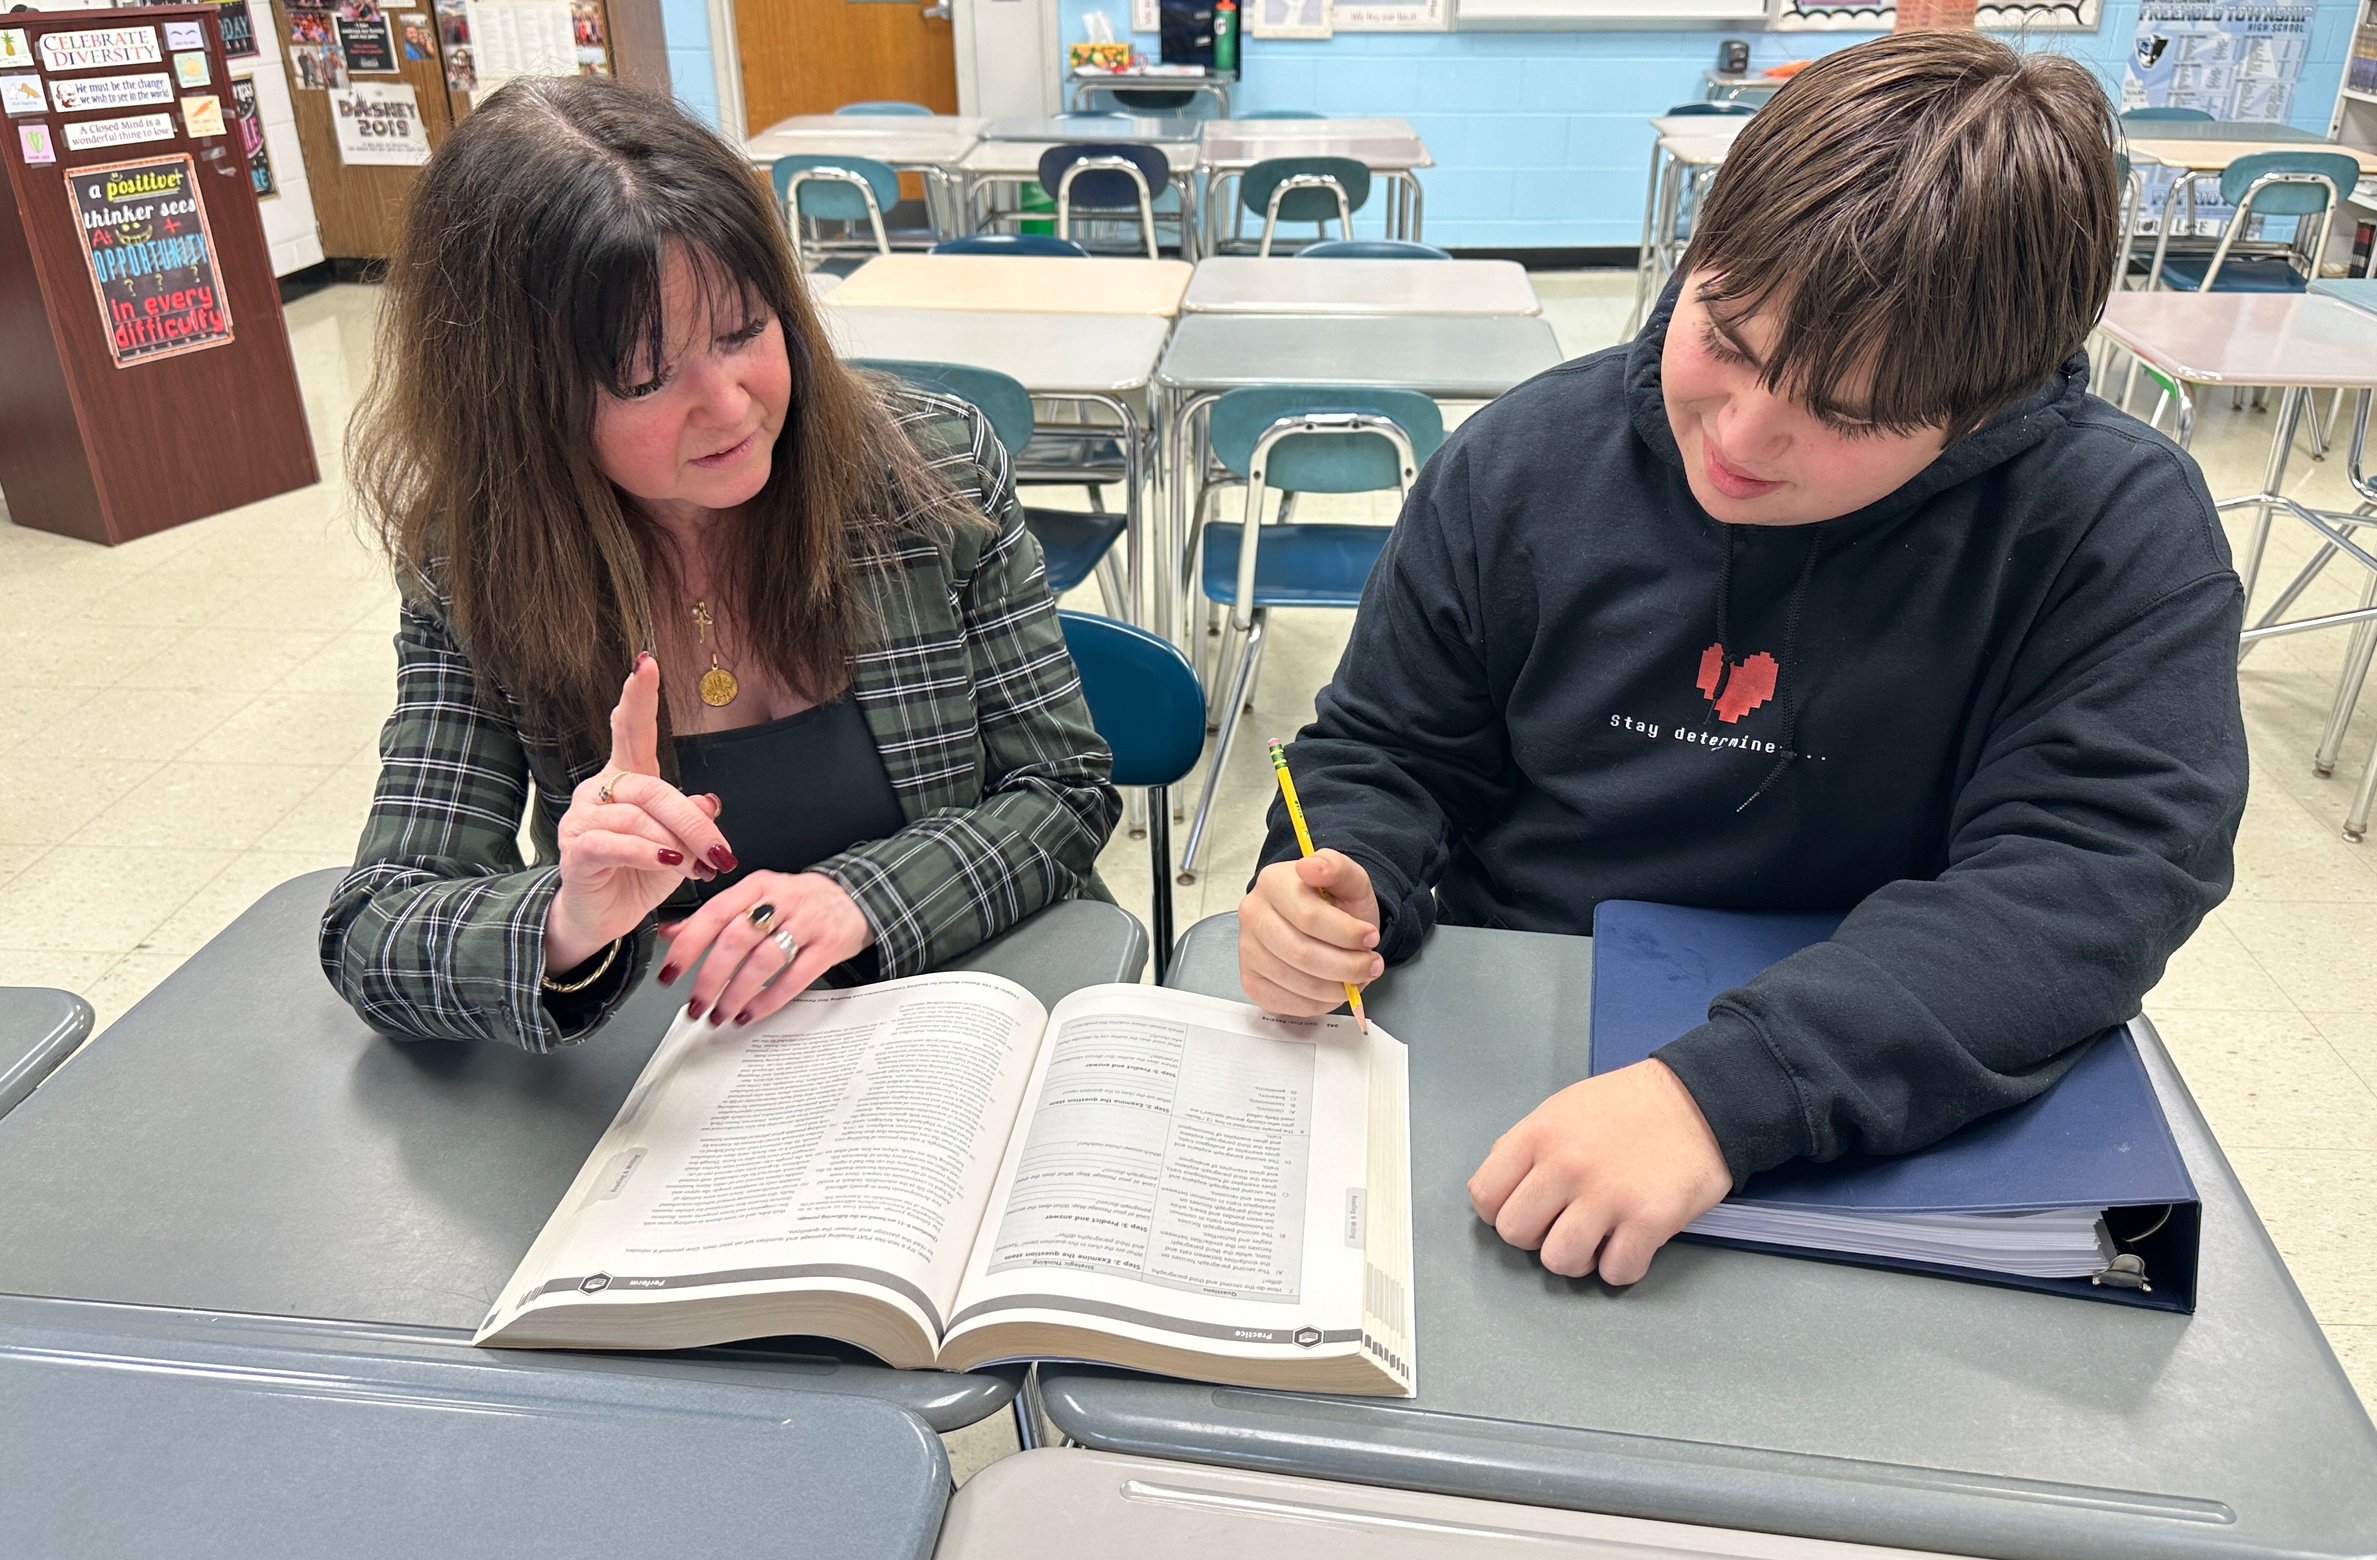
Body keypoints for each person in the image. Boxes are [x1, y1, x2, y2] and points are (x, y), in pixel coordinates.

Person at [1239, 35, 2247, 1285]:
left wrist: (1725, 1094)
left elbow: (2093, 874)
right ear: (1702, 255)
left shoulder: (2108, 527)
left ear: (1986, 404)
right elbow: (1388, 748)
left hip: (1881, 1060)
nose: (1744, 437)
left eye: (1852, 413)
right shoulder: (1524, 464)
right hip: (1514, 1021)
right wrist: (1335, 871)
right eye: (1728, 336)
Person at [322, 76, 1117, 1051]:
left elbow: (1062, 791)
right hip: (684, 1073)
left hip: (961, 1019)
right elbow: (376, 927)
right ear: (524, 407)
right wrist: (567, 922)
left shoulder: (929, 473)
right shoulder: (481, 566)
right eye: (649, 376)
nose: (731, 405)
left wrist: (850, 901)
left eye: (744, 331)